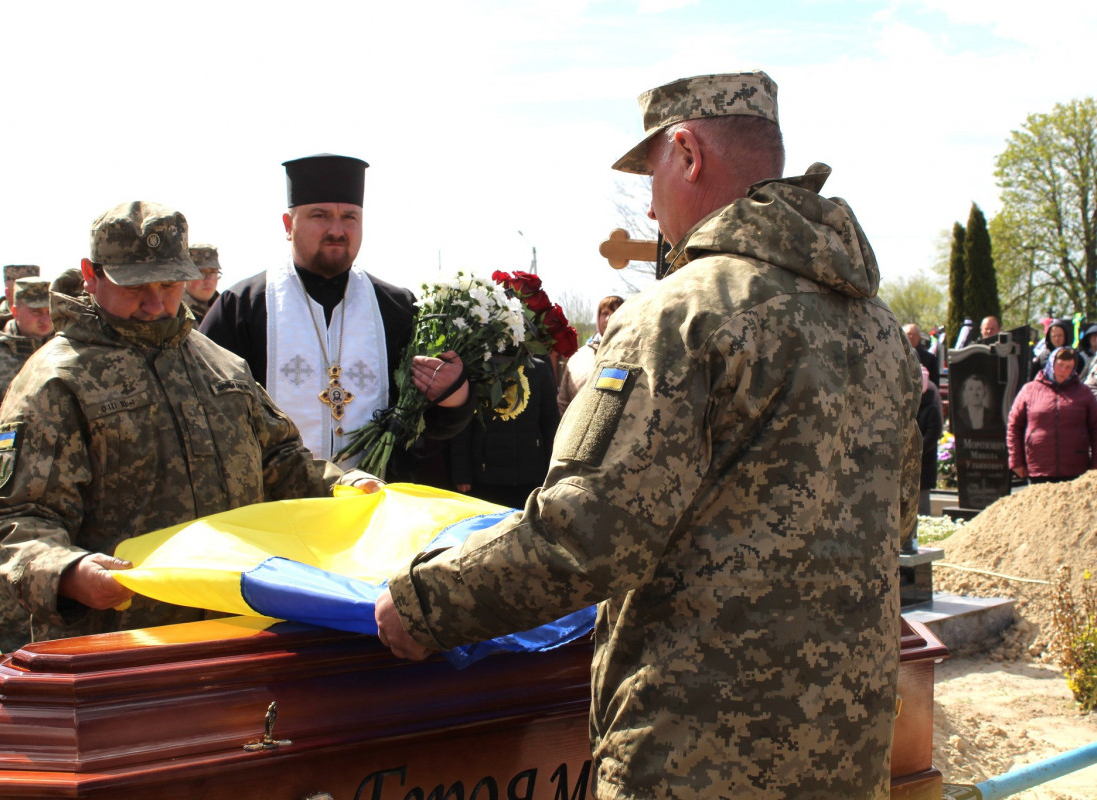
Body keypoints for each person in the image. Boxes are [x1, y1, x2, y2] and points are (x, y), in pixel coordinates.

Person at [375, 70, 921, 799]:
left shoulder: (683, 315)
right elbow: (900, 517)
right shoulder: (878, 326)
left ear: (688, 153)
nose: (652, 199)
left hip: (700, 757)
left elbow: (588, 533)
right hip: (845, 752)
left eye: (651, 170)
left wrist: (425, 602)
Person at [0, 200, 379, 654]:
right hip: (120, 650)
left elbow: (279, 461)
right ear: (91, 274)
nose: (153, 303)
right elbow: (5, 523)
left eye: (167, 285)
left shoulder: (220, 366)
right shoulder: (56, 380)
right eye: (133, 287)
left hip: (238, 632)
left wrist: (347, 486)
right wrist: (69, 572)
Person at [200, 154, 471, 476]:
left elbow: (427, 430)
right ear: (289, 226)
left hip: (375, 502)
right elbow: (205, 411)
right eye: (320, 215)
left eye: (350, 217)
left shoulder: (396, 307)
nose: (337, 230)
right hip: (270, 507)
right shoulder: (243, 306)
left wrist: (453, 392)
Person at [450, 357, 561, 509]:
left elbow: (551, 422)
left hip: (530, 475)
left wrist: (555, 471)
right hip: (487, 477)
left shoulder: (538, 369)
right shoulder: (477, 369)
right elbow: (462, 426)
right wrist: (462, 474)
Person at [0, 278, 55, 469]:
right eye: (36, 312)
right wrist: (10, 435)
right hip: (3, 472)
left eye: (49, 311)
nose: (45, 319)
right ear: (15, 311)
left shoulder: (67, 355)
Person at [1008, 346, 1097, 483]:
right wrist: (1016, 461)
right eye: (1060, 365)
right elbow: (1014, 426)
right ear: (1051, 363)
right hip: (1039, 466)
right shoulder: (1029, 390)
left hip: (1075, 468)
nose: (1063, 371)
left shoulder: (1084, 393)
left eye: (1068, 367)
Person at [557, 295, 624, 413]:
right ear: (598, 318)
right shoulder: (578, 357)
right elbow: (563, 403)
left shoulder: (631, 355)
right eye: (604, 313)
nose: (609, 319)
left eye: (615, 312)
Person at [917, 366, 943, 519]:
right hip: (907, 456)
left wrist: (917, 449)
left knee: (922, 501)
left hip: (923, 458)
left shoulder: (931, 401)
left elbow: (934, 431)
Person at [184, 243, 222, 319]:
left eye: (213, 272)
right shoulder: (176, 312)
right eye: (201, 272)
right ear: (186, 276)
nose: (208, 280)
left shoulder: (225, 310)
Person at [904, 322, 939, 386]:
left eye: (915, 334)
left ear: (919, 337)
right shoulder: (897, 355)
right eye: (909, 334)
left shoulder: (930, 358)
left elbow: (935, 383)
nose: (912, 337)